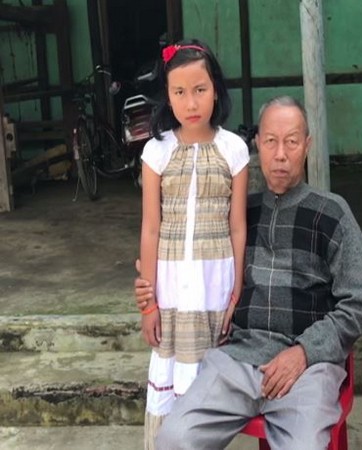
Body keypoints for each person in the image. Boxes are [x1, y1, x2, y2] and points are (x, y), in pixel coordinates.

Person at [135, 95, 362, 449]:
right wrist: (151, 284)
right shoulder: (239, 216)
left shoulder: (332, 213)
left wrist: (304, 351)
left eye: (292, 142)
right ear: (257, 144)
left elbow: (356, 305)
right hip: (239, 358)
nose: (280, 154)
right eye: (271, 141)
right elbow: (194, 259)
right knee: (174, 438)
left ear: (306, 146)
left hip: (306, 365)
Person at [137, 38, 249, 449]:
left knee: (206, 385)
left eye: (199, 89)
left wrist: (236, 289)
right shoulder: (157, 152)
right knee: (172, 380)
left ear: (215, 88)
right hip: (170, 289)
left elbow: (237, 226)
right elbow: (151, 227)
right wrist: (149, 303)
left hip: (214, 287)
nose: (191, 102)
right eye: (179, 92)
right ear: (167, 97)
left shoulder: (233, 149)